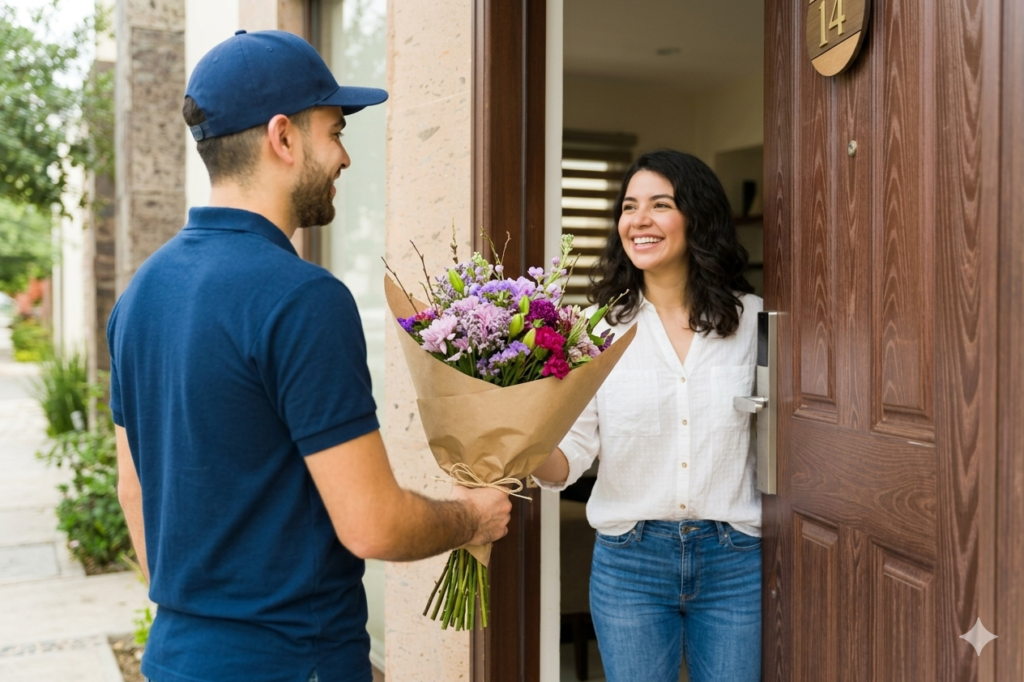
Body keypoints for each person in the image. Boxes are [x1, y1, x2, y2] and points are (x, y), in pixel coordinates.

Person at [109, 30, 511, 682]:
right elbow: (372, 524)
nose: (345, 157)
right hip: (293, 663)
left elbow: (136, 491)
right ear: (283, 138)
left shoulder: (140, 296)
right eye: (335, 130)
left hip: (177, 659)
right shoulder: (303, 299)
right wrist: (471, 517)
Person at [532, 149, 762, 682]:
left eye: (660, 204)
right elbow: (569, 458)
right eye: (629, 206)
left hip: (735, 561)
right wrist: (509, 441)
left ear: (696, 218)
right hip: (630, 564)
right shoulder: (596, 331)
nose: (639, 220)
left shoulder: (754, 322)